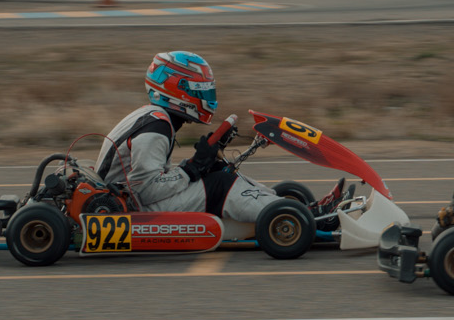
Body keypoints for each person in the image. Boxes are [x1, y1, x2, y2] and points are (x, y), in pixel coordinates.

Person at [97, 50, 310, 226]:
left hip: (131, 199)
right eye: (199, 92)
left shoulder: (153, 117)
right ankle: (291, 218)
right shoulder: (156, 128)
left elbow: (151, 179)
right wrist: (192, 168)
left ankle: (283, 205)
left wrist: (199, 165)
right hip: (129, 209)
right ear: (177, 92)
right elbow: (146, 190)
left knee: (219, 171)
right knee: (220, 184)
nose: (205, 99)